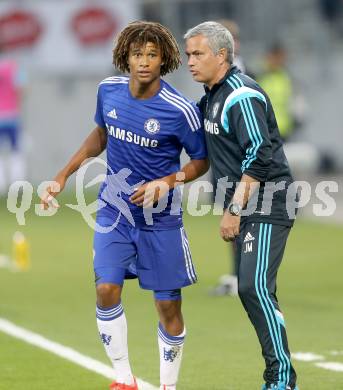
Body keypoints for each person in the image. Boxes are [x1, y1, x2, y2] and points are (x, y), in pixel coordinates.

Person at [42, 21, 208, 390]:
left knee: (168, 308)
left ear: (164, 58)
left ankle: (168, 386)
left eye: (152, 54)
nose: (144, 61)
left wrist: (167, 182)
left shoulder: (180, 110)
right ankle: (124, 379)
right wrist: (63, 174)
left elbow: (200, 161)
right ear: (125, 58)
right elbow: (101, 133)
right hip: (114, 211)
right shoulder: (108, 91)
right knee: (106, 289)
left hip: (160, 220)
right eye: (137, 54)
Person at [184, 21, 299, 390]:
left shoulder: (241, 94)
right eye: (188, 54)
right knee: (252, 288)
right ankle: (280, 377)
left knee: (254, 288)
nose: (190, 61)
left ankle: (281, 380)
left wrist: (234, 209)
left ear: (222, 55)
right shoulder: (211, 95)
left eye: (198, 53)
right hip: (248, 201)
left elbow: (260, 155)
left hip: (269, 200)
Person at [0, 47, 26, 195]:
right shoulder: (13, 67)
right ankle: (18, 183)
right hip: (12, 115)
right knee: (16, 150)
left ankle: (1, 185)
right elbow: (22, 88)